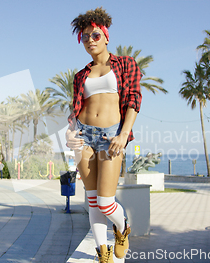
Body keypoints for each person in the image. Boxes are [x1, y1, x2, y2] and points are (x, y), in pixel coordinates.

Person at [65, 7, 142, 263]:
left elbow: (133, 100)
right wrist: (70, 134)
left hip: (111, 137)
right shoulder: (80, 76)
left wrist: (124, 134)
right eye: (85, 37)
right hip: (83, 136)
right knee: (92, 200)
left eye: (95, 35)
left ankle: (122, 228)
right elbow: (74, 111)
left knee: (106, 201)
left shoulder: (125, 64)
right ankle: (103, 253)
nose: (90, 40)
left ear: (106, 37)